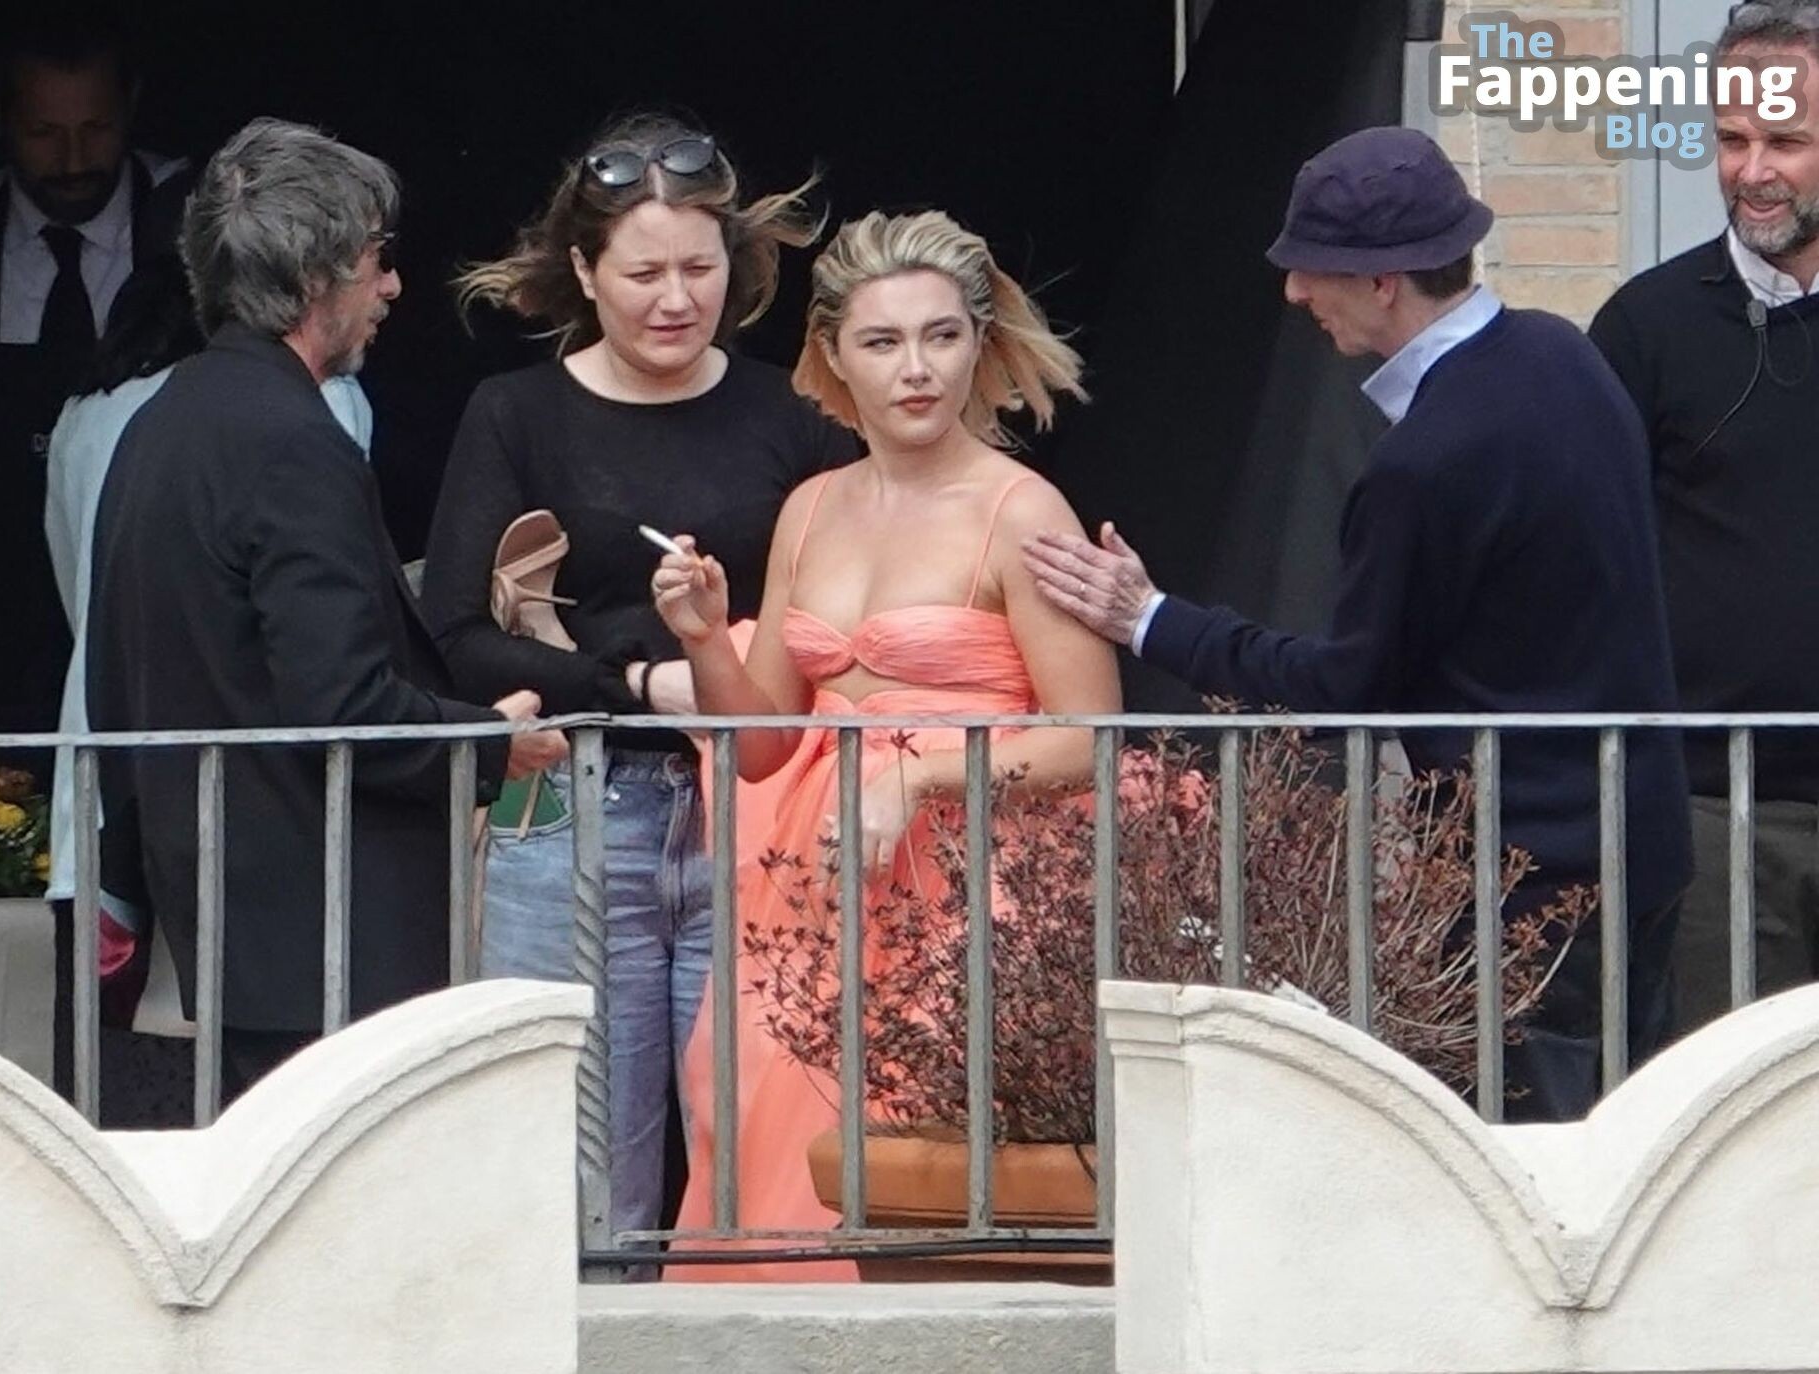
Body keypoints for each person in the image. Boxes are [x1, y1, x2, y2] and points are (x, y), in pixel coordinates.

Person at [1025, 127, 1691, 1123]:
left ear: (1383, 282)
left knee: (1524, 1168)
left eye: (1312, 268)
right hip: (1639, 841)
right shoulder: (1562, 356)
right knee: (1633, 1148)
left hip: (1528, 877)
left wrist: (1151, 619)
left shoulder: (1428, 461)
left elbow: (1347, 688)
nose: (1296, 292)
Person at [650, 208, 1119, 1279]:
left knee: (920, 1153)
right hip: (813, 888)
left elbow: (1090, 738)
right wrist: (704, 638)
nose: (917, 368)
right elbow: (762, 745)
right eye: (883, 341)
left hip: (968, 887)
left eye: (942, 336)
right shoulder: (811, 508)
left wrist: (924, 777)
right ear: (833, 357)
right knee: (768, 1134)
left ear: (980, 345)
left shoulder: (1023, 510)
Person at [419, 113, 856, 1253]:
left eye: (699, 270)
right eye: (644, 273)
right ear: (582, 271)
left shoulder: (794, 415)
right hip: (577, 805)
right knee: (579, 1177)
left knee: (759, 1150)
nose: (676, 299)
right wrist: (638, 682)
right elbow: (458, 633)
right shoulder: (516, 413)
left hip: (761, 812)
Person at [88, 118, 559, 1104]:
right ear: (316, 279)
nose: (391, 288)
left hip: (234, 921)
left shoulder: (159, 424)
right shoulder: (292, 441)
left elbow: (120, 682)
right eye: (377, 260)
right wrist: (488, 742)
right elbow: (340, 703)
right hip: (329, 935)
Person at [43, 173, 376, 1121]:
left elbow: (80, 591)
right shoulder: (322, 404)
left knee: (110, 1101)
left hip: (104, 780)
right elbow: (317, 608)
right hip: (258, 804)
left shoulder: (86, 411)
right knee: (271, 1115)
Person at [1590, 2, 1819, 1038]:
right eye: (1731, 140)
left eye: (1785, 141)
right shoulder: (1646, 327)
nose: (1752, 171)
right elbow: (1589, 554)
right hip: (1717, 805)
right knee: (1734, 1104)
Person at [0, 1, 182, 737]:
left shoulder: (197, 234)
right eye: (44, 133)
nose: (74, 159)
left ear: (133, 104)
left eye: (97, 128)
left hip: (157, 614)